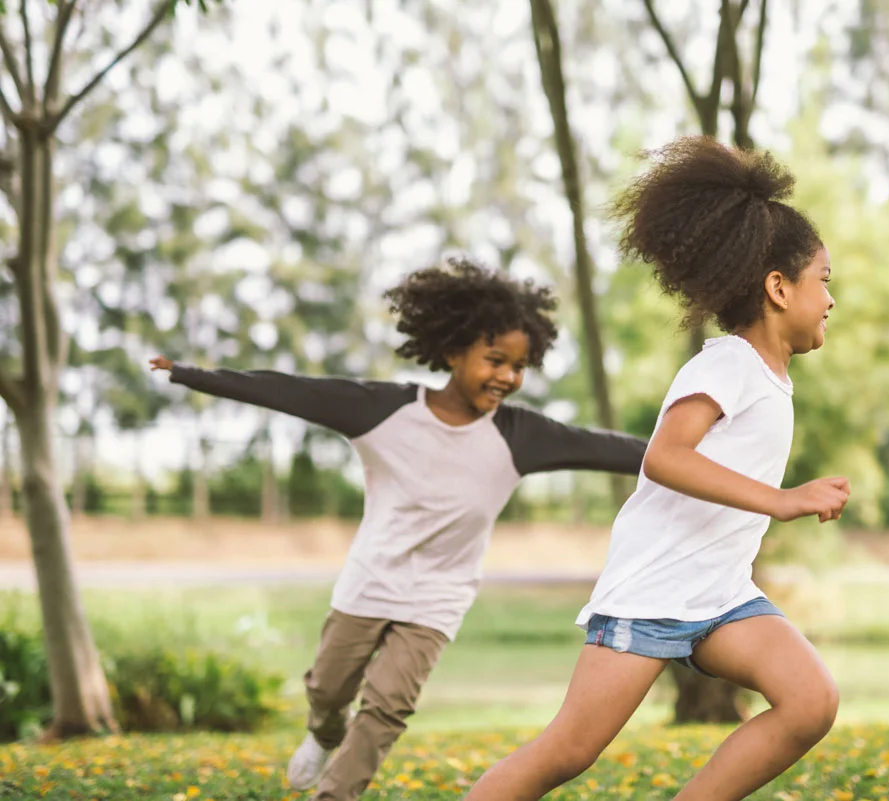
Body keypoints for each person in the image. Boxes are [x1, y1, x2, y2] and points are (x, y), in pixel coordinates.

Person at [149, 257, 647, 801]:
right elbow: (292, 391)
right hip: (371, 579)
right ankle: (324, 730)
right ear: (453, 352)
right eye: (495, 360)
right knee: (328, 687)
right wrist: (191, 374)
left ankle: (334, 796)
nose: (508, 376)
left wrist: (695, 453)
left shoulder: (521, 436)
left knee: (388, 706)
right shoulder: (382, 410)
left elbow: (611, 448)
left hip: (439, 595)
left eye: (519, 365)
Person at [464, 136, 850, 801]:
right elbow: (665, 456)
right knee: (569, 749)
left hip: (722, 597)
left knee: (810, 700)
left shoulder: (768, 377)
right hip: (654, 595)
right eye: (825, 280)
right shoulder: (726, 364)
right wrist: (780, 499)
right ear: (779, 287)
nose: (831, 300)